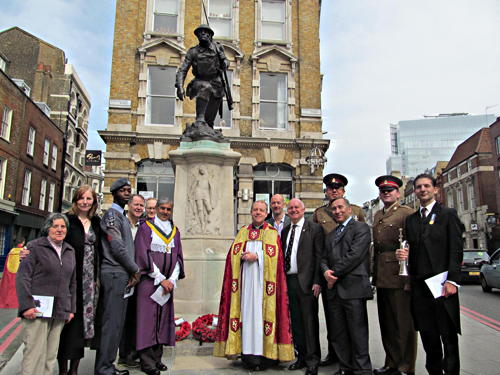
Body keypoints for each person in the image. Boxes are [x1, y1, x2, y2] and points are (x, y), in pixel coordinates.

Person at [214, 200, 294, 370]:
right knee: (248, 317)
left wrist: (257, 256)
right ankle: (248, 356)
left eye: (262, 210)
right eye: (255, 210)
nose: (258, 212)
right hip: (245, 286)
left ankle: (266, 356)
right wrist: (241, 258)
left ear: (267, 214)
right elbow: (231, 258)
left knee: (262, 319)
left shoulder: (272, 233)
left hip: (265, 289)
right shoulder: (243, 232)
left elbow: (278, 261)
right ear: (251, 212)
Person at [396, 174, 464, 375]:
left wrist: (452, 280)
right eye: (418, 187)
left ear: (435, 189)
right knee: (429, 338)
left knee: (448, 339)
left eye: (426, 186)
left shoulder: (448, 214)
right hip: (420, 289)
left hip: (443, 287)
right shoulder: (411, 220)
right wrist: (404, 256)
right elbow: (411, 249)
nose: (422, 189)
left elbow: (456, 249)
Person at [312, 173, 365, 367]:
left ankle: (354, 360)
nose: (334, 191)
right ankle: (335, 355)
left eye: (338, 188)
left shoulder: (357, 211)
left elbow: (361, 247)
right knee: (333, 320)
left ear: (344, 191)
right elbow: (318, 248)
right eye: (330, 188)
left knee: (354, 322)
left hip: (351, 276)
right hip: (329, 276)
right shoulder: (319, 214)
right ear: (326, 192)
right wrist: (322, 275)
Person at [16, 213, 76, 375]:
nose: (59, 229)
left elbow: (72, 282)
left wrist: (71, 309)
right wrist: (27, 305)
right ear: (47, 228)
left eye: (63, 226)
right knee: (34, 353)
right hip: (36, 309)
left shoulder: (69, 250)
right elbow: (23, 278)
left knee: (50, 356)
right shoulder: (34, 247)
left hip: (60, 309)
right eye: (55, 226)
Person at [320, 197, 372, 375]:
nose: (337, 211)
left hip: (353, 289)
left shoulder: (361, 228)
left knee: (357, 332)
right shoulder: (332, 233)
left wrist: (333, 274)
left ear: (349, 209)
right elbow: (323, 257)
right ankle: (345, 367)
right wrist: (326, 271)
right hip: (335, 291)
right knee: (338, 332)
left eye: (340, 207)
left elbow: (354, 255)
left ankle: (362, 369)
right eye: (334, 209)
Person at [95, 178, 141, 375]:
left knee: (116, 324)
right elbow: (116, 247)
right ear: (114, 193)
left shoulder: (120, 215)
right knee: (111, 323)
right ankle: (104, 367)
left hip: (121, 273)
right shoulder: (112, 216)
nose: (127, 193)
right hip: (114, 273)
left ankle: (106, 365)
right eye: (123, 190)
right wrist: (135, 269)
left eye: (128, 190)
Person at [372, 176, 417, 375]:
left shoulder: (407, 213)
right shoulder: (377, 215)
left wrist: (409, 277)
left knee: (404, 325)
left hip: (400, 276)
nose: (386, 193)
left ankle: (406, 366)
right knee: (387, 323)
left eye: (390, 190)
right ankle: (391, 362)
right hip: (382, 276)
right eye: (383, 191)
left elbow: (416, 244)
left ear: (398, 193)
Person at [134, 198, 185, 375]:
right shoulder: (146, 228)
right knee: (147, 321)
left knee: (162, 321)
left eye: (168, 209)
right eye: (162, 208)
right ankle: (147, 362)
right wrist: (160, 278)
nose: (165, 211)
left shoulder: (175, 231)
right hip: (150, 282)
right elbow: (142, 254)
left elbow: (178, 257)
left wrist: (171, 279)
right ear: (155, 209)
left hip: (167, 285)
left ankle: (157, 359)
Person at [57, 186, 102, 375]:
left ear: (93, 202)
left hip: (89, 281)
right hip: (69, 277)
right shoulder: (67, 220)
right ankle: (62, 369)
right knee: (67, 323)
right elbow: (49, 240)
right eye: (81, 198)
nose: (85, 202)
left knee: (83, 324)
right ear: (75, 200)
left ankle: (74, 370)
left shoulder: (96, 222)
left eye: (89, 199)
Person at [281, 198, 323, 375]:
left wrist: (317, 281)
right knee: (296, 322)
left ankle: (313, 360)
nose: (293, 210)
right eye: (290, 208)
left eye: (296, 207)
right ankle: (301, 357)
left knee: (309, 322)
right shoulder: (285, 231)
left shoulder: (314, 228)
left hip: (307, 283)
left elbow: (319, 256)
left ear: (303, 209)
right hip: (289, 281)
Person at [175, 24, 229, 128]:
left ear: (210, 35)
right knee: (205, 87)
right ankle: (199, 119)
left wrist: (225, 62)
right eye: (200, 33)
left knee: (209, 120)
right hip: (200, 80)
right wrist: (180, 86)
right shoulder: (193, 51)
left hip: (216, 82)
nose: (203, 34)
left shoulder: (218, 48)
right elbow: (183, 69)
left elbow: (226, 63)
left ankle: (208, 126)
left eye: (205, 32)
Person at [118, 194, 146, 367]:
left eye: (141, 205)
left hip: (140, 277)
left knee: (135, 316)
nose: (138, 208)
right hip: (124, 274)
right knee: (122, 317)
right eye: (136, 204)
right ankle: (122, 353)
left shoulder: (143, 226)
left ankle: (132, 353)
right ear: (128, 206)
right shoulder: (121, 223)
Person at [0, 237, 25, 308]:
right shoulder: (23, 250)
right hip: (20, 271)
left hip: (10, 270)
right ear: (22, 242)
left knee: (9, 287)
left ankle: (7, 301)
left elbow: (7, 262)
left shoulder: (12, 251)